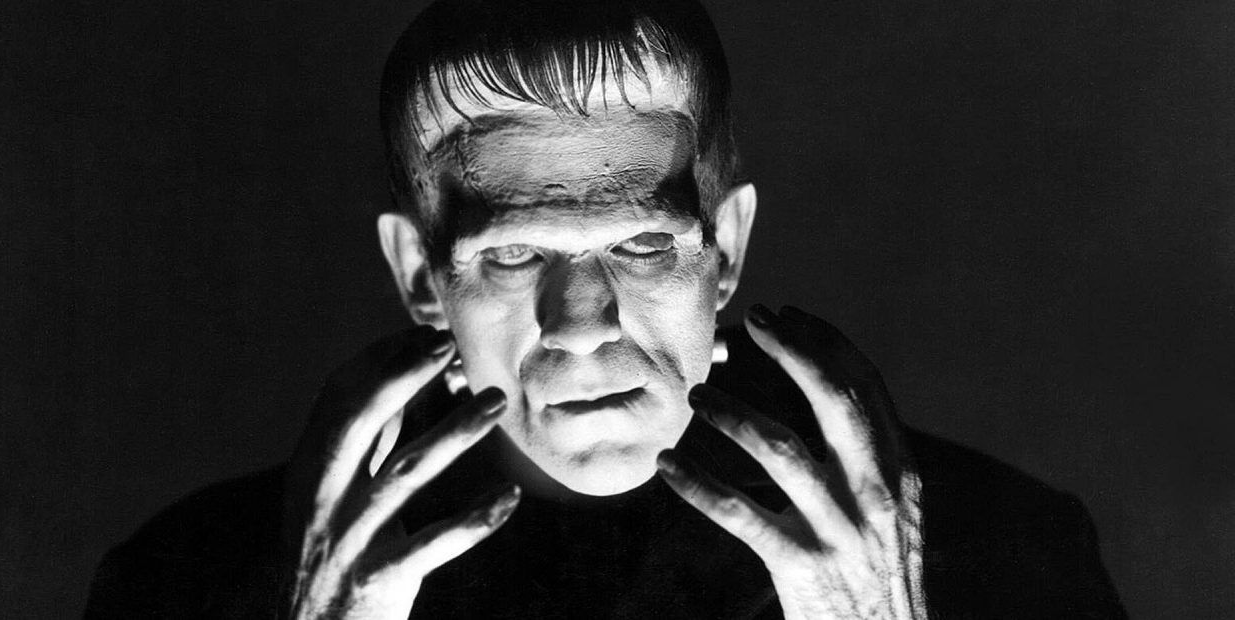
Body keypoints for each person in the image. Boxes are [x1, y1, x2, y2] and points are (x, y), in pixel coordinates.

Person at [85, 0, 1127, 617]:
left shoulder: (1003, 552)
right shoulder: (186, 581)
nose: (582, 319)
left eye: (641, 243)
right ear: (421, 275)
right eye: (512, 253)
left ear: (725, 251)